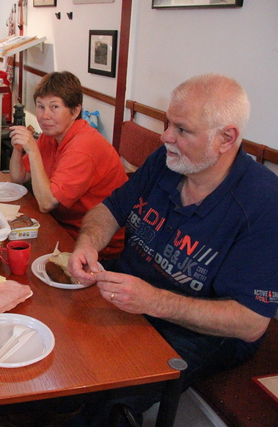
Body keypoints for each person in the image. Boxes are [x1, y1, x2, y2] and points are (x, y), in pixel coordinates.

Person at [67, 74, 278, 426]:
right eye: (168, 123)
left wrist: (154, 301)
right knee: (57, 327)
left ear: (226, 138)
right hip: (135, 288)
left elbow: (251, 323)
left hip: (202, 330)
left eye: (182, 129)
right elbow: (110, 210)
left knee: (107, 394)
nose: (166, 136)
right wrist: (87, 244)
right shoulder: (166, 160)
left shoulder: (264, 204)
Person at [9, 71, 127, 258]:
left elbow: (46, 204)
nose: (45, 115)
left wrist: (32, 150)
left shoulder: (83, 146)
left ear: (75, 111)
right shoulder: (52, 135)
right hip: (60, 224)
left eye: (54, 106)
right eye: (40, 106)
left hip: (95, 245)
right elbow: (19, 177)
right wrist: (18, 149)